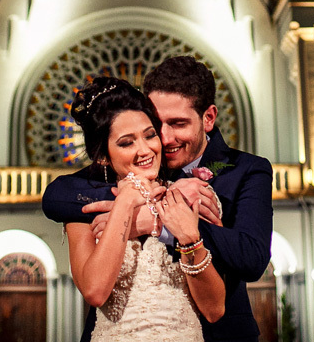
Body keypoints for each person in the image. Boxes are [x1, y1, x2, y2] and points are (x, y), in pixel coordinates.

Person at [43, 57, 273, 342]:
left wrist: (156, 222)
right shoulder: (138, 164)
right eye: (156, 124)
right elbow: (57, 196)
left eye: (177, 124)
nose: (163, 139)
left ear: (209, 118)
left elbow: (251, 258)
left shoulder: (245, 169)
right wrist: (133, 203)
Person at [64, 76, 226, 341]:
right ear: (103, 156)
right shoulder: (85, 208)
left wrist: (188, 238)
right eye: (127, 143)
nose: (145, 149)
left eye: (150, 135)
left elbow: (214, 309)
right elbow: (94, 291)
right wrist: (126, 202)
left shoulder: (188, 195)